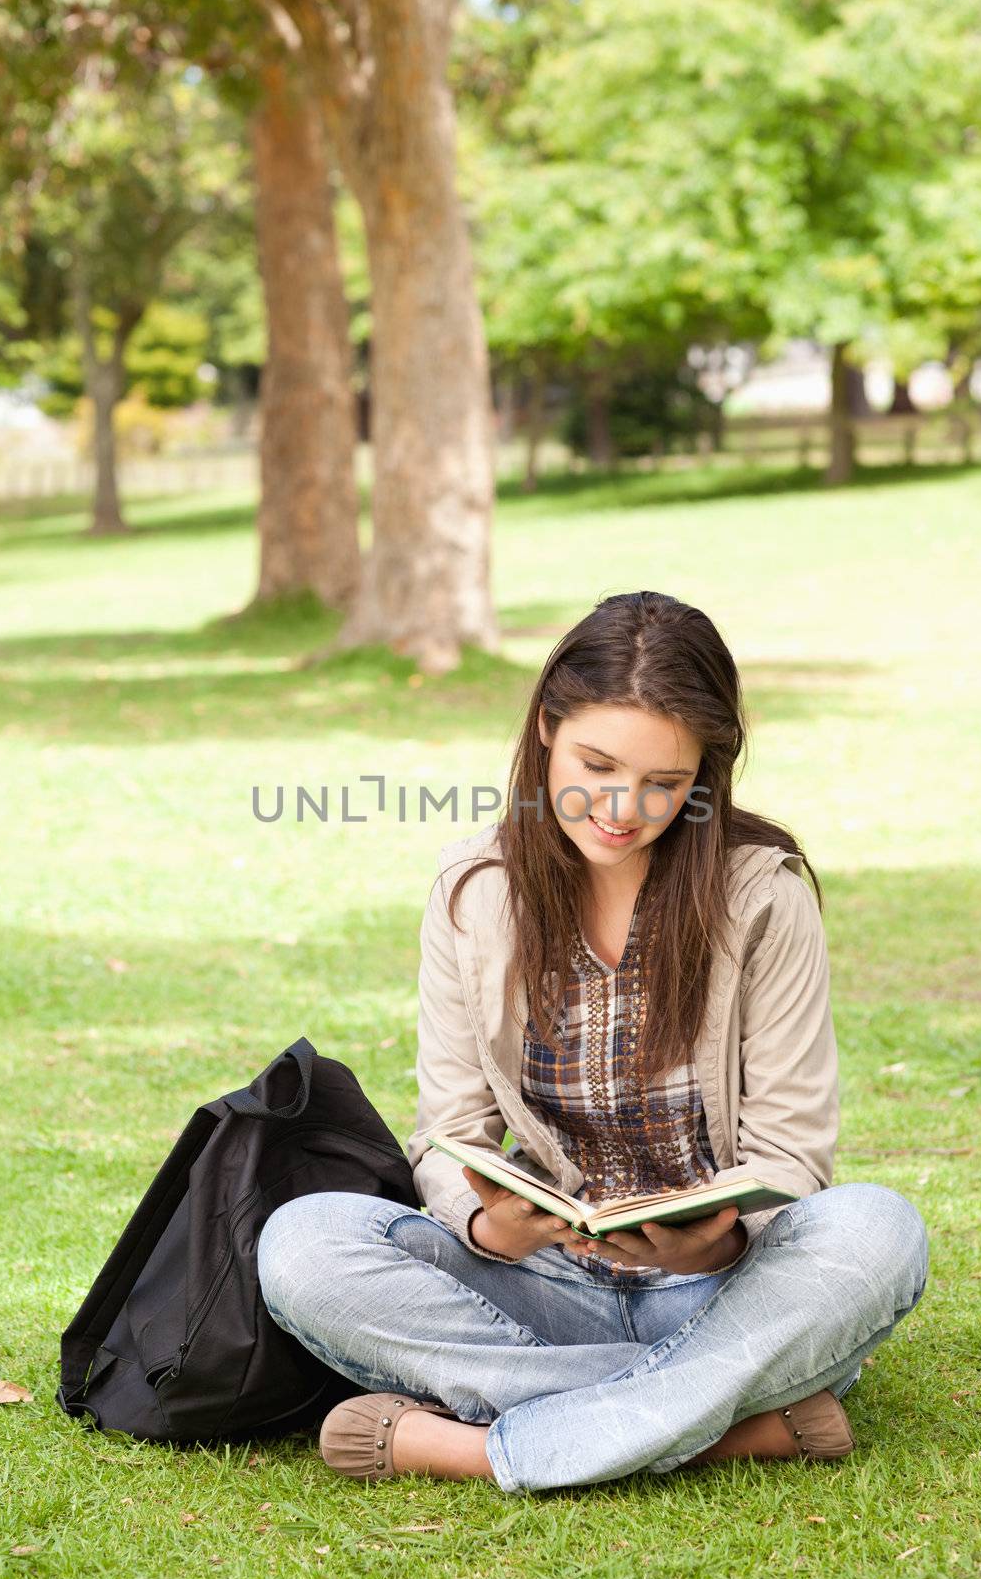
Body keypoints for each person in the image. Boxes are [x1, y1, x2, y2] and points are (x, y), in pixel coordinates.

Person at [257, 590, 928, 1494]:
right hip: (540, 1285)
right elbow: (446, 1129)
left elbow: (792, 1149)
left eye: (663, 782)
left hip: (724, 1290)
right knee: (303, 1243)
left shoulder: (762, 893)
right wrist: (488, 1229)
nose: (621, 807)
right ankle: (726, 1420)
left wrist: (715, 1246)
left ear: (704, 772)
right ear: (545, 727)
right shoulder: (474, 891)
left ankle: (476, 1446)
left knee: (878, 1230)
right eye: (597, 764)